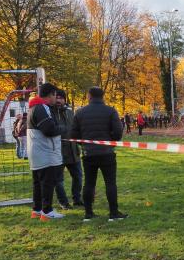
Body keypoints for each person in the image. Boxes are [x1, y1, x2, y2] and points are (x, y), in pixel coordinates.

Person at [71, 87, 126, 222]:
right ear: (103, 97)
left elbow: (73, 134)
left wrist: (84, 144)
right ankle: (113, 213)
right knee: (110, 183)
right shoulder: (111, 111)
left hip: (88, 154)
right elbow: (118, 132)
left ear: (89, 96)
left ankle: (88, 213)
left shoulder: (79, 113)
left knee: (89, 183)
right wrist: (111, 142)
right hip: (107, 153)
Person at [27, 83, 67, 221]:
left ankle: (37, 210)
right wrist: (62, 129)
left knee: (38, 183)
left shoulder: (33, 108)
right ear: (50, 94)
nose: (56, 98)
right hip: (46, 153)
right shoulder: (42, 108)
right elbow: (49, 129)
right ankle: (47, 211)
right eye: (55, 95)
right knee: (47, 183)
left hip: (37, 152)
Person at [54, 89, 83, 209]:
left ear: (64, 99)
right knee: (58, 180)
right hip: (58, 152)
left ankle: (77, 199)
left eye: (61, 98)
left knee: (78, 176)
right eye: (56, 97)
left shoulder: (71, 113)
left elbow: (76, 129)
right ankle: (63, 202)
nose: (58, 100)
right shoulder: (50, 113)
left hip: (73, 151)